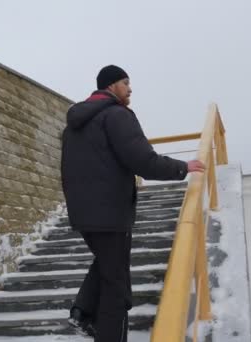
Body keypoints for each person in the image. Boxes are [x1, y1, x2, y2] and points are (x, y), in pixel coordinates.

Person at [60, 65, 205, 342]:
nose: (130, 88)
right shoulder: (117, 115)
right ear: (111, 86)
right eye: (125, 82)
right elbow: (142, 161)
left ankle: (82, 311)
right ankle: (99, 327)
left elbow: (68, 171)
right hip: (111, 212)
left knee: (108, 265)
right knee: (117, 287)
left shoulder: (73, 126)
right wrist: (182, 167)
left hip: (84, 213)